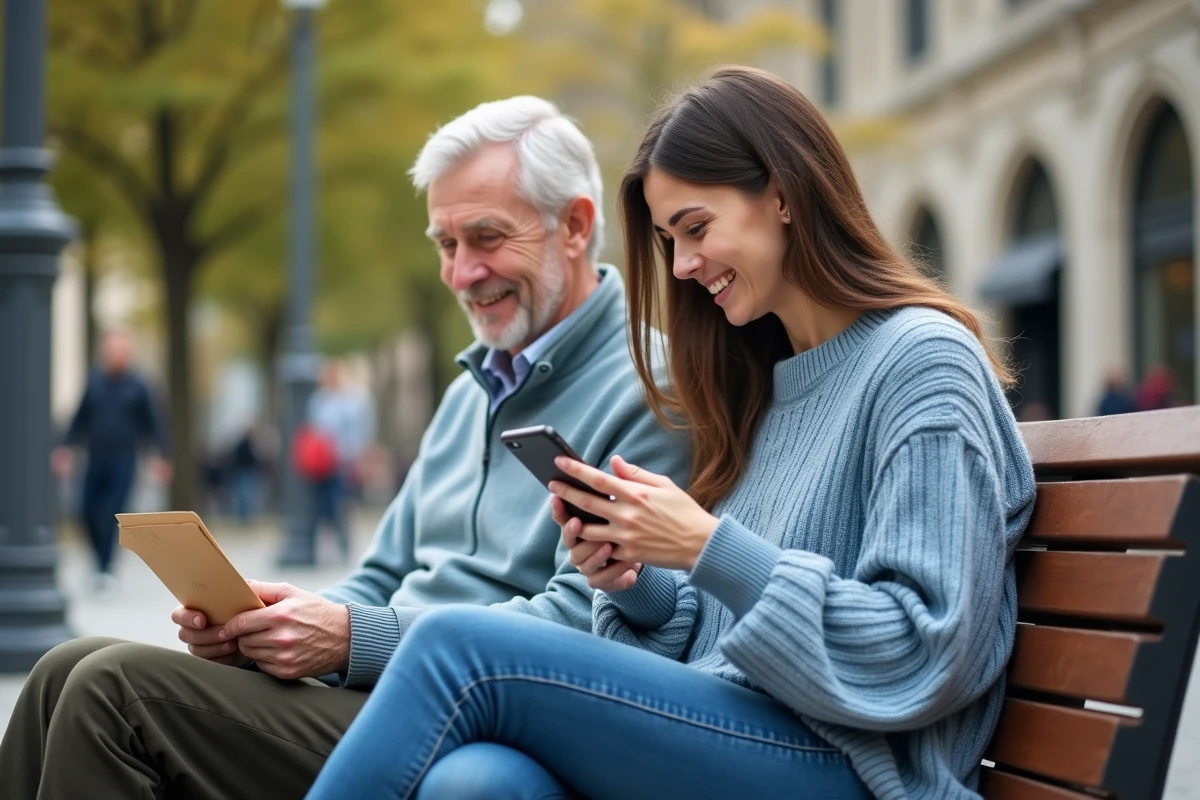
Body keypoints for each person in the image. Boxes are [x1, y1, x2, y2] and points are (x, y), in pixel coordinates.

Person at [307, 66, 1037, 800]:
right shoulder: (768, 383)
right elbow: (714, 635)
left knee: (452, 646)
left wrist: (704, 545)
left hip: (857, 768)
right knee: (478, 783)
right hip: (741, 735)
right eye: (669, 240)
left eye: (695, 228)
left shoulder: (922, 363)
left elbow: (920, 649)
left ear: (781, 194)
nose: (683, 267)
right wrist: (637, 583)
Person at [0, 96, 689, 800]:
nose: (461, 273)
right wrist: (271, 625)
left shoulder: (655, 390)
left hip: (477, 709)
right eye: (446, 245)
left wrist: (353, 637)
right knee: (62, 670)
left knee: (110, 692)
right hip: (385, 687)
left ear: (573, 226)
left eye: (486, 237)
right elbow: (380, 575)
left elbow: (586, 622)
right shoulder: (470, 391)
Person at [51, 327, 172, 591]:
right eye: (112, 349)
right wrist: (65, 448)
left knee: (112, 513)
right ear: (105, 351)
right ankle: (98, 562)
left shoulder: (139, 386)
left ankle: (106, 568)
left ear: (128, 353)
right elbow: (79, 419)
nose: (117, 354)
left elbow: (153, 424)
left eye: (122, 349)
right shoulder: (94, 383)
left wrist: (161, 456)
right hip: (95, 459)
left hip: (124, 461)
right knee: (85, 509)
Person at [281, 363, 374, 565]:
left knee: (337, 505)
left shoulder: (350, 402)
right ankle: (321, 549)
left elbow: (357, 432)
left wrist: (352, 455)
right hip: (319, 463)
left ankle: (342, 547)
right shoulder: (319, 401)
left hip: (339, 463)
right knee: (318, 507)